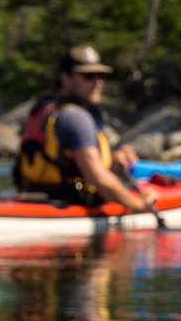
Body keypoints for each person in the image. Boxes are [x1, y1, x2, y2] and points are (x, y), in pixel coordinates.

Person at [14, 45, 162, 212]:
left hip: (34, 195)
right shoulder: (76, 116)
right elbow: (97, 177)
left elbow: (69, 162)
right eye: (88, 76)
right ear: (65, 78)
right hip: (70, 202)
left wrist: (113, 160)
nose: (97, 82)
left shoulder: (45, 110)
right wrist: (139, 204)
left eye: (100, 75)